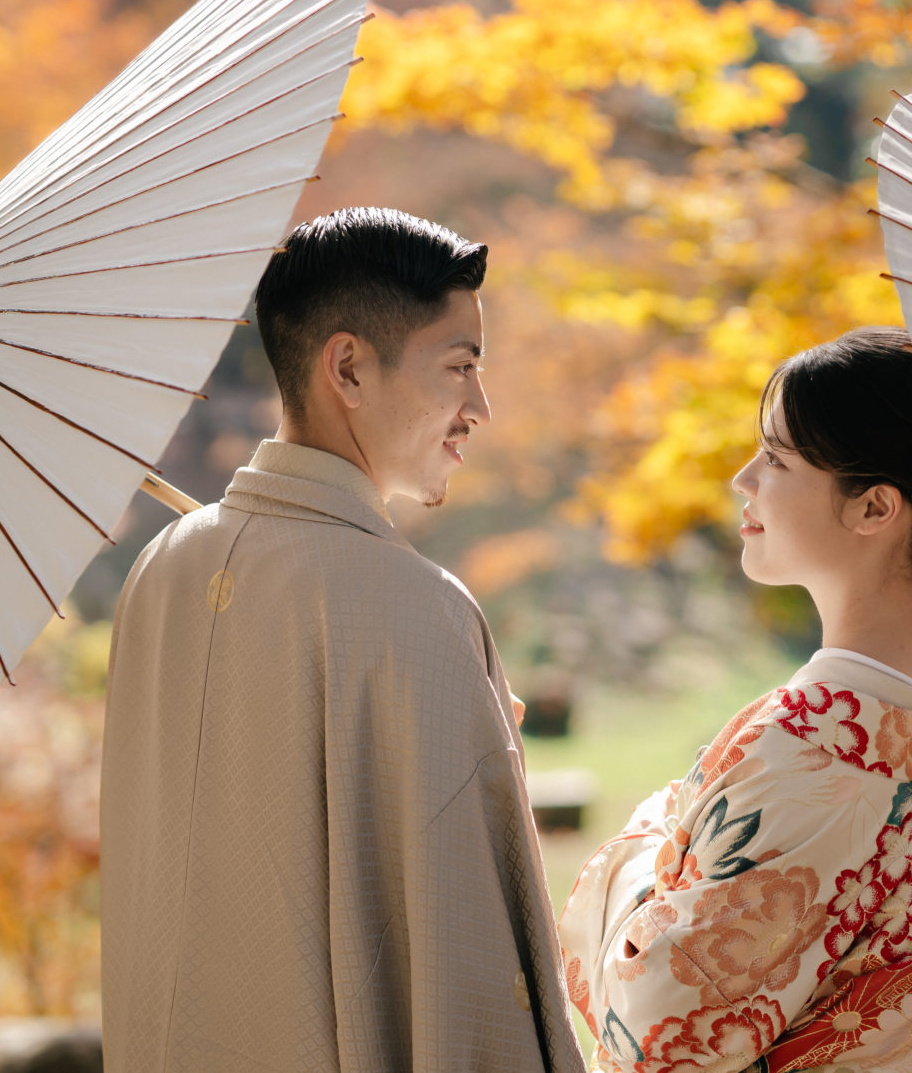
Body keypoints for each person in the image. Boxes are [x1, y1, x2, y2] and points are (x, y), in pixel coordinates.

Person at [100, 208, 585, 1073]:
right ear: (349, 367)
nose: (480, 407)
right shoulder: (414, 605)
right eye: (460, 367)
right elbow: (473, 973)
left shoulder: (160, 567)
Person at [558, 327, 912, 1073]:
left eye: (778, 458)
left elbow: (652, 1040)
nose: (743, 479)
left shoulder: (803, 753)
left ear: (877, 508)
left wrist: (656, 834)